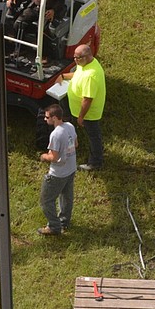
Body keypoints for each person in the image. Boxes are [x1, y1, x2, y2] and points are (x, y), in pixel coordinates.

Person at [63, 43, 106, 170]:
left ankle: (96, 162)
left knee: (93, 136)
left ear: (87, 56)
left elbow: (87, 100)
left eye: (78, 58)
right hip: (78, 111)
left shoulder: (91, 76)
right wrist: (63, 76)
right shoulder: (86, 64)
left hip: (89, 114)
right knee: (93, 134)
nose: (75, 60)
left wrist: (81, 117)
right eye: (74, 57)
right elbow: (77, 74)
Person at [38, 103, 77, 236]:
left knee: (46, 201)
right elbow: (75, 144)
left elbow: (54, 157)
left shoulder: (56, 134)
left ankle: (54, 227)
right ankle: (64, 221)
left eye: (47, 117)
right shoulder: (70, 126)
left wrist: (44, 156)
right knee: (66, 196)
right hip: (71, 168)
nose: (45, 119)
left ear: (54, 118)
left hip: (58, 174)